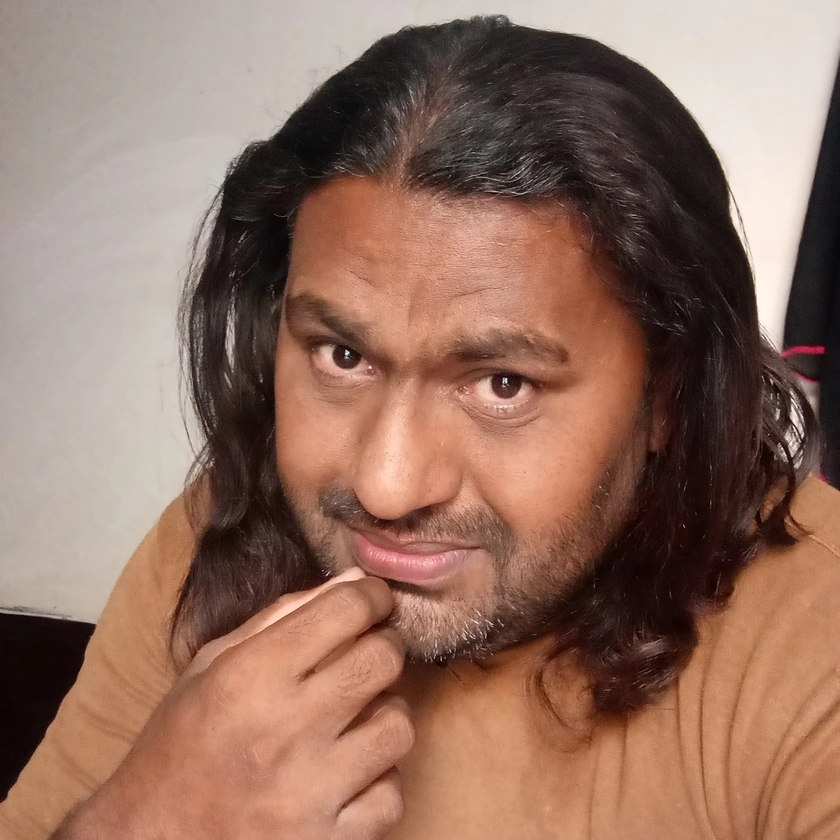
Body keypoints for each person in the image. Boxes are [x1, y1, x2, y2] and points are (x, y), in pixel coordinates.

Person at [2, 15, 839, 840]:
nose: (386, 486)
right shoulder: (214, 535)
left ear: (666, 396)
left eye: (503, 384)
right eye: (342, 356)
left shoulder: (812, 624)